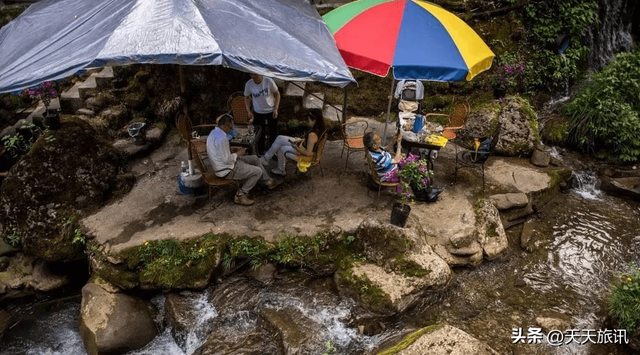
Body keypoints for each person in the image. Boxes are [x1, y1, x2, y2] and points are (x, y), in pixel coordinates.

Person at [207, 114, 279, 206]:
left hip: (223, 164)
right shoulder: (222, 138)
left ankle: (267, 181)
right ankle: (240, 195)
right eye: (231, 127)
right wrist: (238, 154)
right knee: (258, 171)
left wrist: (232, 151)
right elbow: (226, 160)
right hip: (226, 170)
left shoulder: (213, 132)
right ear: (224, 126)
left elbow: (220, 153)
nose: (232, 129)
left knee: (255, 158)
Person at [364, 131, 444, 200]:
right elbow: (396, 160)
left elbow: (386, 149)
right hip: (389, 176)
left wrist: (393, 140)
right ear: (374, 145)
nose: (380, 139)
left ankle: (427, 191)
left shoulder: (374, 149)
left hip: (392, 168)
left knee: (416, 165)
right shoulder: (378, 158)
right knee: (414, 172)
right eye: (378, 139)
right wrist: (399, 144)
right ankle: (424, 195)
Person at [259, 109, 325, 176]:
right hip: (301, 144)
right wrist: (301, 140)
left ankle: (281, 170)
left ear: (314, 121)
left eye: (309, 119)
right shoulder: (320, 129)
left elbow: (308, 153)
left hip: (302, 154)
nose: (308, 121)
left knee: (281, 148)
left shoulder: (312, 135)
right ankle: (266, 159)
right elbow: (312, 143)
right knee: (280, 138)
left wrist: (296, 148)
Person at [244, 73, 281, 154]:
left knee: (273, 132)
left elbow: (277, 94)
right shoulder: (249, 84)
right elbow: (246, 97)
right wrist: (248, 110)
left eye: (256, 74)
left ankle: (273, 151)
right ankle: (260, 152)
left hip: (270, 110)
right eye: (252, 74)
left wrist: (275, 109)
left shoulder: (269, 81)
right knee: (259, 133)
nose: (255, 76)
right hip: (258, 111)